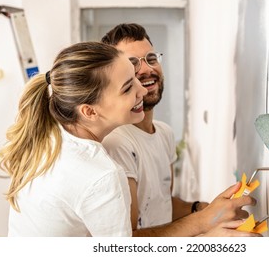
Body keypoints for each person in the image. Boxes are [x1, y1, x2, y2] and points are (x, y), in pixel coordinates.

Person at [101, 23, 260, 237]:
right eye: (132, 63)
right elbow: (127, 240)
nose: (147, 69)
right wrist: (205, 224)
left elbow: (161, 206)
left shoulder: (164, 134)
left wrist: (204, 208)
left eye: (151, 58)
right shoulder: (117, 144)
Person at [0, 42, 148, 236]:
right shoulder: (101, 177)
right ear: (89, 111)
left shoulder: (46, 138)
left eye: (135, 78)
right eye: (127, 88)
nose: (142, 90)